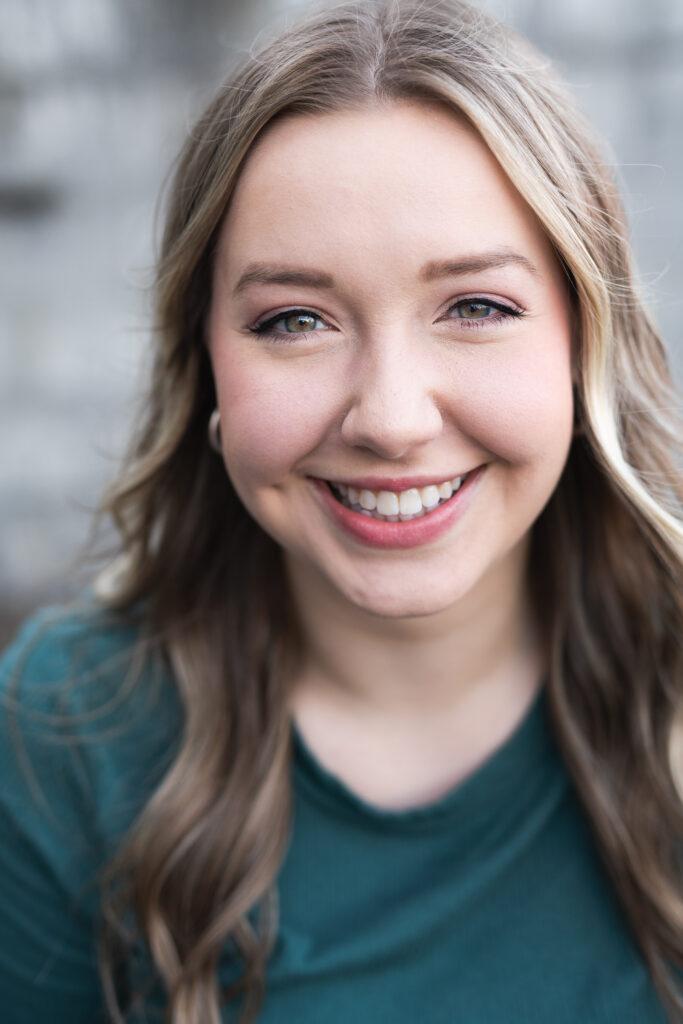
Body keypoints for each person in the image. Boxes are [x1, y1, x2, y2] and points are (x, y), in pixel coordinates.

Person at [1, 0, 682, 1021]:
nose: (390, 419)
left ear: (583, 343)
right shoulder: (63, 730)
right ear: (208, 371)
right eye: (295, 320)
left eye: (474, 307)